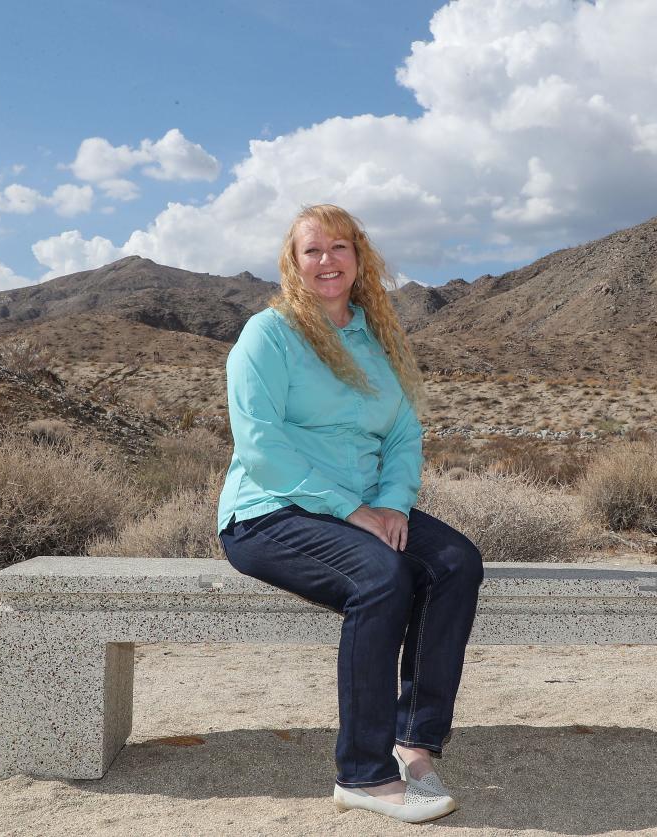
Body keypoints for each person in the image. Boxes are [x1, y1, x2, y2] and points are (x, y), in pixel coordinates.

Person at [216, 204, 484, 824]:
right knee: (382, 577)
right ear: (294, 263)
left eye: (339, 248)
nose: (327, 261)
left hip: (364, 508)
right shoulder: (270, 333)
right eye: (313, 251)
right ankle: (362, 773)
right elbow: (260, 445)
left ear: (359, 259)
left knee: (455, 564)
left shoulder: (376, 338)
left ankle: (414, 742)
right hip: (270, 512)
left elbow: (402, 436)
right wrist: (352, 509)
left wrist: (390, 504)